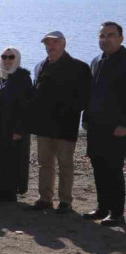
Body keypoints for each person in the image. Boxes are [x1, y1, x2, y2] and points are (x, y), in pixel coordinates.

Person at [28, 31, 91, 213]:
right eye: (47, 43)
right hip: (44, 125)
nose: (51, 46)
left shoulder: (79, 67)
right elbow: (36, 93)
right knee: (45, 164)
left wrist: (67, 111)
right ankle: (45, 199)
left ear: (63, 43)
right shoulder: (40, 66)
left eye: (54, 42)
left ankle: (65, 201)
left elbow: (84, 98)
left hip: (66, 124)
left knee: (65, 165)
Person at [83, 21, 126, 227]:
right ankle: (102, 207)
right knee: (98, 166)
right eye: (102, 36)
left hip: (117, 127)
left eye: (110, 35)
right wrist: (85, 118)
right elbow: (89, 93)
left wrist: (124, 124)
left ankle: (116, 212)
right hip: (96, 125)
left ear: (121, 38)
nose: (106, 39)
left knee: (114, 169)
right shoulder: (96, 61)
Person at [0, 47, 32, 203]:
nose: (7, 60)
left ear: (16, 58)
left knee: (11, 159)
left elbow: (25, 106)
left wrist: (19, 129)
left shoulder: (22, 78)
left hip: (12, 125)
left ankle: (10, 191)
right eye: (4, 57)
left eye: (11, 57)